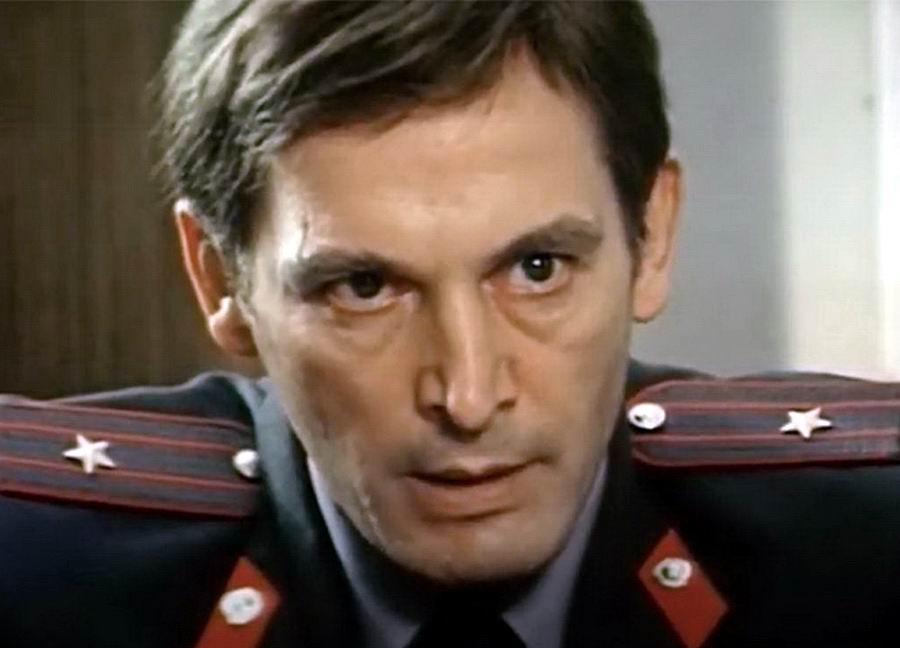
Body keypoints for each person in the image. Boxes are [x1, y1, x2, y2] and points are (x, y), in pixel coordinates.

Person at [1, 1, 897, 647]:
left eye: (536, 269)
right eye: (363, 287)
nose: (467, 398)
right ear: (219, 277)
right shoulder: (39, 573)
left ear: (652, 235)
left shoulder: (864, 549)